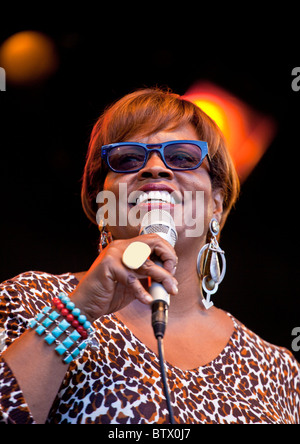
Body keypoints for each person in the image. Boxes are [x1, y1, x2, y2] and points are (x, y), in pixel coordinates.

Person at [0, 88, 299, 424]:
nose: (155, 169)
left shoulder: (276, 368)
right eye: (128, 159)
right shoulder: (29, 300)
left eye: (183, 157)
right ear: (103, 204)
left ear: (216, 202)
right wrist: (78, 311)